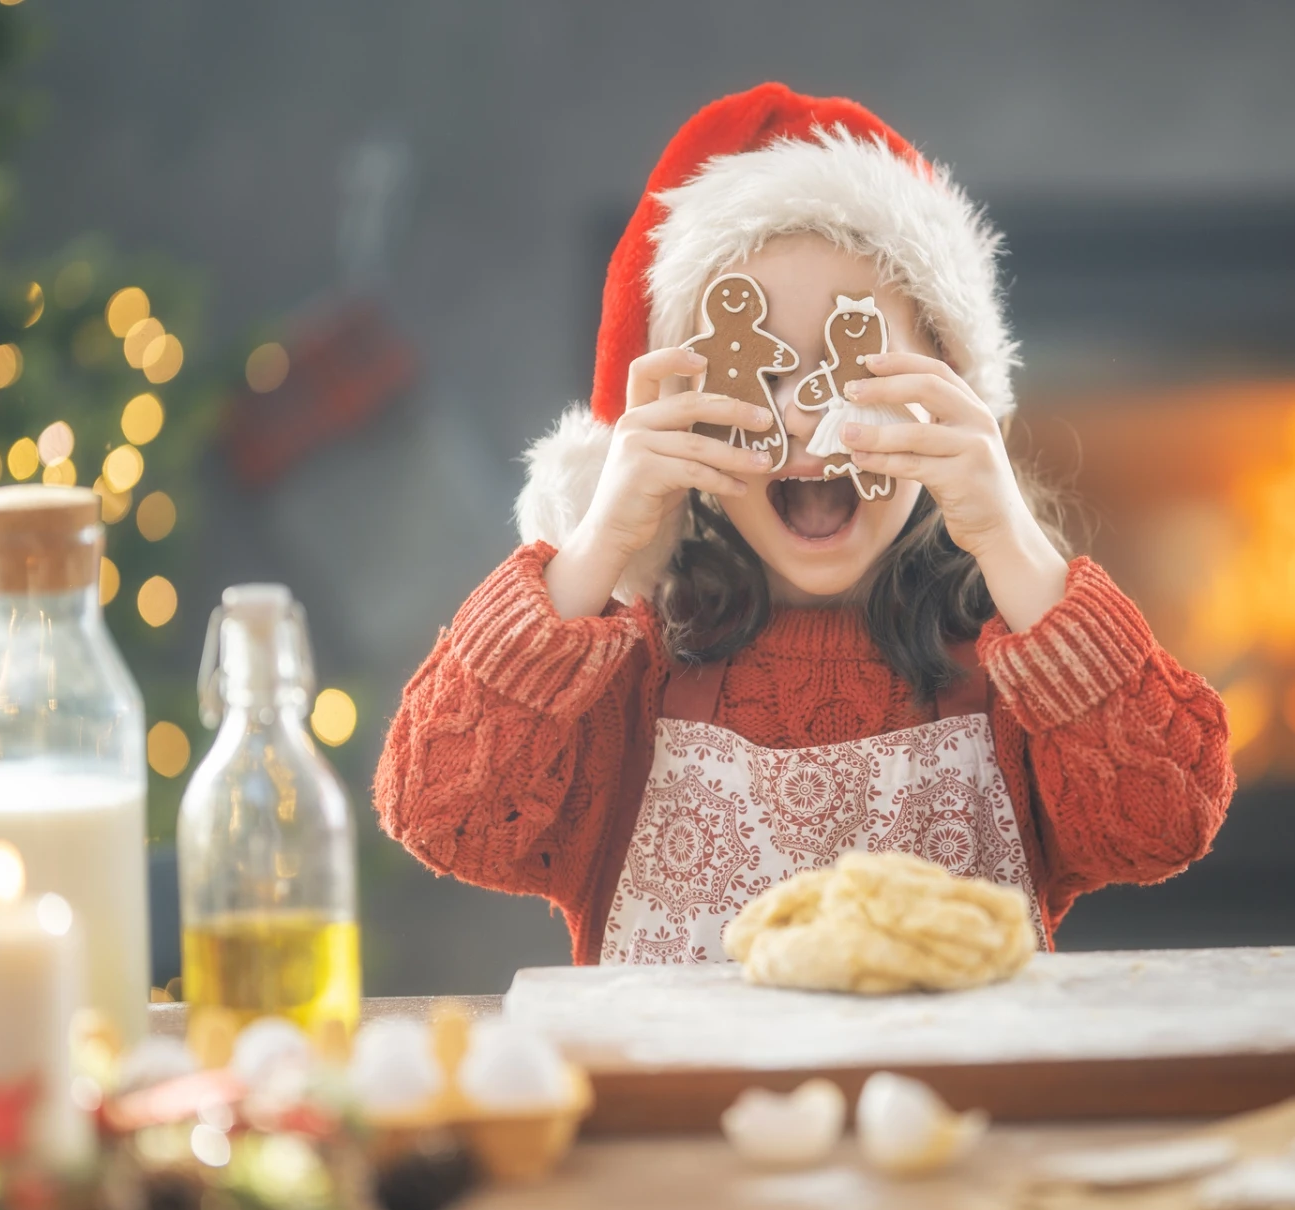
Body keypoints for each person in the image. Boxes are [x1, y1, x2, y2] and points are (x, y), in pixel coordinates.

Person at [375, 83, 1235, 966]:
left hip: (957, 1105)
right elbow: (442, 815)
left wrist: (1014, 542)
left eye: (850, 360)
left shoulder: (1015, 674)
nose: (801, 417)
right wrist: (596, 545)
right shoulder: (623, 680)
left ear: (948, 392)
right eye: (760, 369)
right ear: (682, 407)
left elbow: (1169, 820)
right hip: (681, 1106)